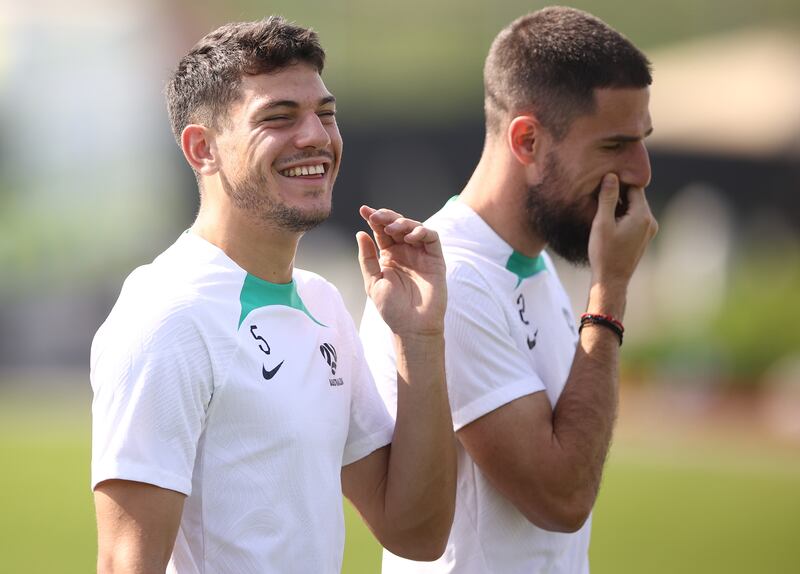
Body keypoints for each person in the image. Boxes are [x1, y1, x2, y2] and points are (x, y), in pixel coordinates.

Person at [90, 17, 456, 573]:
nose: (316, 136)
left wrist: (421, 338)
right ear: (201, 149)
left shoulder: (323, 304)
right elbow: (126, 564)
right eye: (278, 118)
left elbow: (417, 533)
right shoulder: (169, 315)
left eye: (325, 114)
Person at [360, 6, 658, 573]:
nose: (640, 170)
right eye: (614, 146)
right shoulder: (456, 283)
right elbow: (561, 497)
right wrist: (610, 292)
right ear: (527, 140)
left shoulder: (530, 264)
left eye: (642, 140)